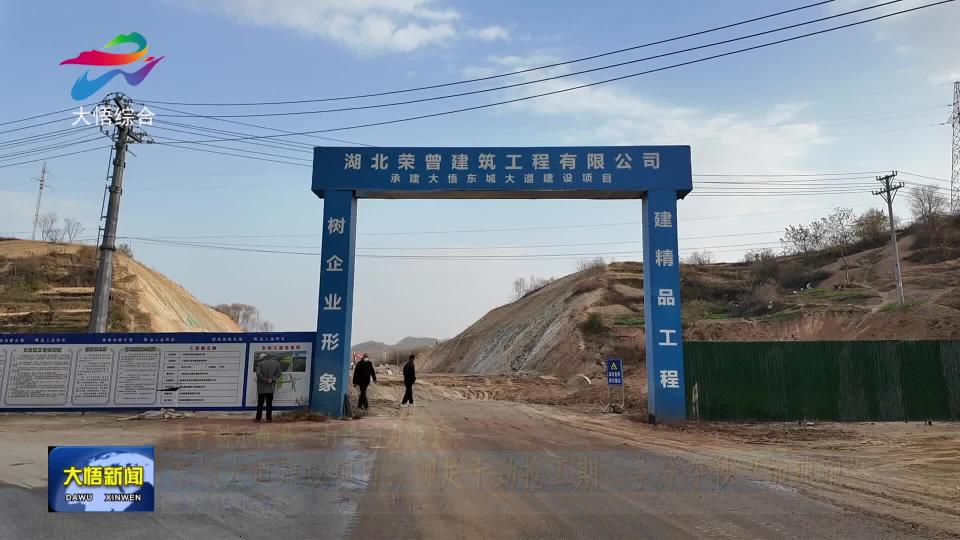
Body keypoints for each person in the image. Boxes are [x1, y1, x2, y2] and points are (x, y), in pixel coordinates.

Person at [255, 352, 282, 422]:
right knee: (269, 403)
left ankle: (258, 419)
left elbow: (258, 374)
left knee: (260, 403)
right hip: (271, 387)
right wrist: (272, 379)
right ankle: (269, 419)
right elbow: (279, 373)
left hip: (261, 387)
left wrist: (265, 379)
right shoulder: (276, 363)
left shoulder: (260, 363)